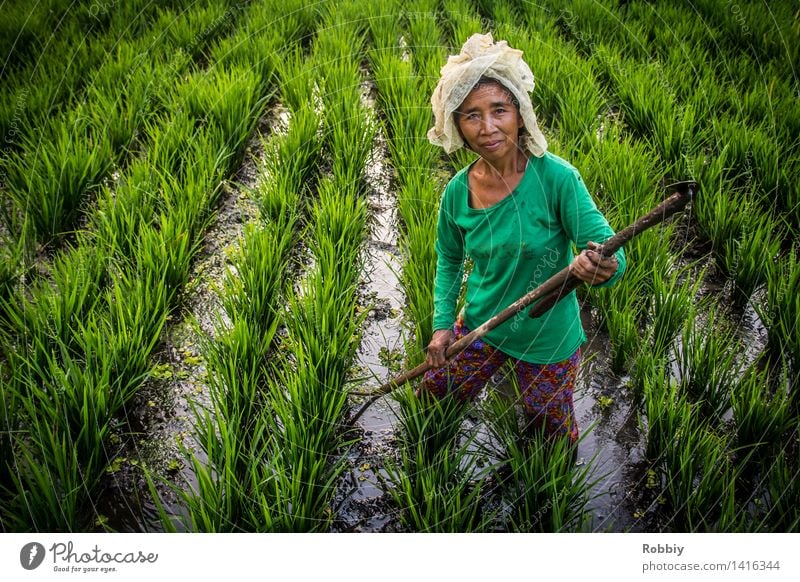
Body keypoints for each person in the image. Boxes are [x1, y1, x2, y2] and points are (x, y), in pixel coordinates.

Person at [423, 33, 626, 443]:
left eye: (499, 109)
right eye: (471, 115)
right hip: (482, 325)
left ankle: (543, 500)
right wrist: (443, 326)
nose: (488, 127)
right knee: (434, 397)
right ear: (456, 126)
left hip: (545, 337)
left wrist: (601, 267)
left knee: (547, 434)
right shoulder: (457, 193)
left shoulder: (557, 179)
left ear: (519, 112)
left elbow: (611, 255)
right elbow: (448, 259)